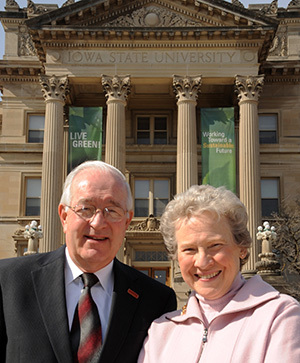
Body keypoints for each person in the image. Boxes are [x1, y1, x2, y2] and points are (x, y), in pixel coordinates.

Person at [0, 160, 177, 363]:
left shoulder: (156, 300)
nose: (98, 222)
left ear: (127, 221)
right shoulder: (7, 282)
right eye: (86, 209)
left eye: (112, 210)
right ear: (64, 216)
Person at [138, 184, 300, 363]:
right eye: (189, 249)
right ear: (176, 256)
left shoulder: (279, 316)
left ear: (242, 248)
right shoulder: (161, 331)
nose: (202, 262)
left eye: (215, 245)